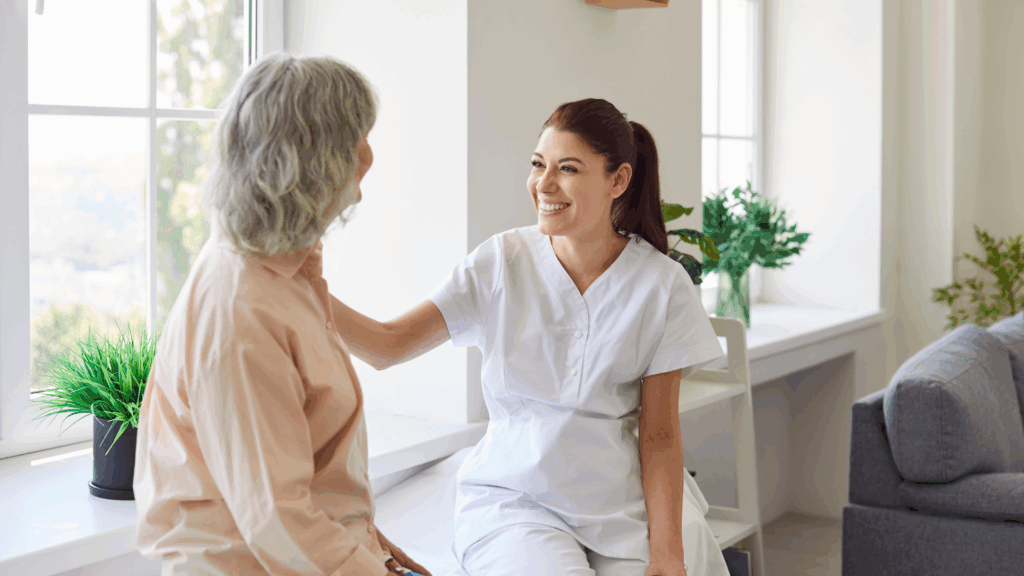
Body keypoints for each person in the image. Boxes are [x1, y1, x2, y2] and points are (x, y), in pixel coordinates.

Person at [330, 98, 730, 576]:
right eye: (538, 164)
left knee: (687, 558)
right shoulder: (501, 260)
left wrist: (668, 554)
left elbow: (660, 433)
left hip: (622, 498)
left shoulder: (662, 284)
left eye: (568, 169)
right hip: (517, 500)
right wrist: (301, 282)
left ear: (618, 180)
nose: (544, 184)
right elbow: (388, 345)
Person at [133, 52, 431, 576]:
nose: (369, 156)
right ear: (314, 158)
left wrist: (376, 550)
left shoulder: (287, 271)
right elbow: (278, 518)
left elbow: (311, 475)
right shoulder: (239, 312)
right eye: (355, 138)